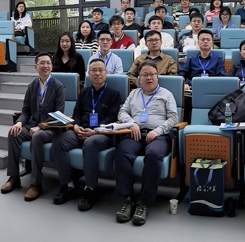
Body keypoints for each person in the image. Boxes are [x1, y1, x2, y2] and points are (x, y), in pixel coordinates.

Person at [114, 62, 181, 226]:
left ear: (157, 76)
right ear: (139, 78)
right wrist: (132, 123)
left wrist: (158, 130)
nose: (148, 77)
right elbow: (122, 112)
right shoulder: (134, 94)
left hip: (158, 136)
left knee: (153, 154)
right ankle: (128, 199)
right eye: (144, 75)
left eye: (152, 74)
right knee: (122, 151)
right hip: (135, 133)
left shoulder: (166, 94)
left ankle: (143, 202)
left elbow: (174, 118)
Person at [51, 59, 123, 211]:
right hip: (80, 131)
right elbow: (77, 113)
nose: (97, 73)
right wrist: (76, 126)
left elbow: (112, 117)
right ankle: (68, 185)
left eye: (100, 70)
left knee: (90, 144)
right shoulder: (84, 92)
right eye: (93, 70)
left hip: (101, 134)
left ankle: (90, 189)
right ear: (88, 74)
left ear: (106, 73)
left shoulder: (114, 94)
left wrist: (95, 130)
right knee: (59, 141)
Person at [1, 53, 65, 200]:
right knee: (13, 133)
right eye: (42, 63)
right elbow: (26, 111)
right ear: (36, 67)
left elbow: (59, 114)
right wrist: (19, 122)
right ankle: (14, 177)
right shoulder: (32, 86)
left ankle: (36, 184)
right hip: (32, 125)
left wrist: (41, 127)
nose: (45, 66)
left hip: (51, 128)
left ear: (52, 66)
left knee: (37, 136)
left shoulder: (58, 86)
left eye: (48, 63)